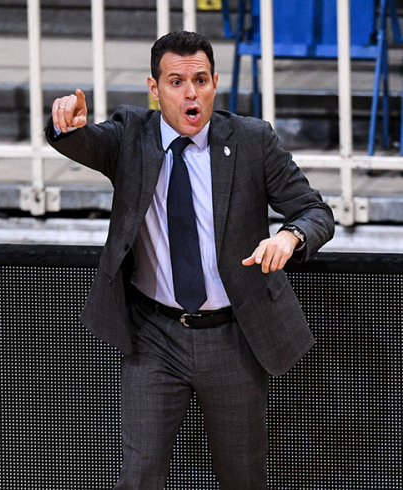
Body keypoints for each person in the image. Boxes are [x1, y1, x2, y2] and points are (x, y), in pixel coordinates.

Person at [46, 31, 335, 488]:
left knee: (242, 476)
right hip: (154, 335)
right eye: (176, 82)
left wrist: (290, 236)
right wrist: (67, 125)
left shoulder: (251, 141)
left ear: (215, 83)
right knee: (139, 473)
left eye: (200, 80)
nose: (190, 93)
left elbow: (315, 211)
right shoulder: (131, 136)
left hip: (233, 335)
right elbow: (85, 142)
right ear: (154, 88)